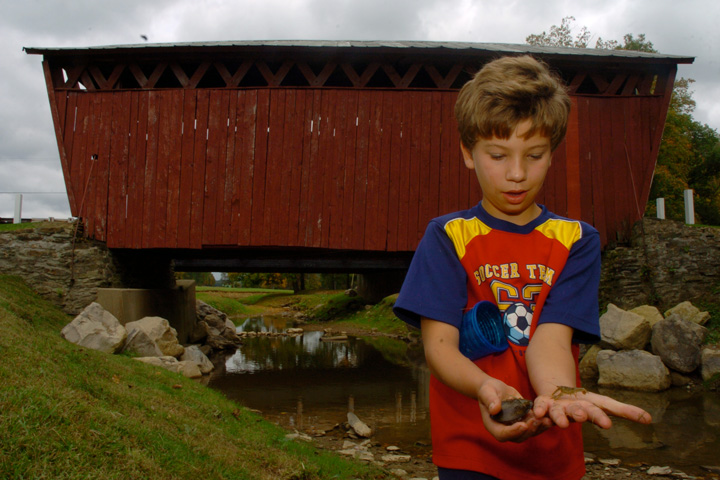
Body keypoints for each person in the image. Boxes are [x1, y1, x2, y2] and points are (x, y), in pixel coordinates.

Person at [393, 55, 652, 480]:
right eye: (498, 154)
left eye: (534, 155)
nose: (516, 174)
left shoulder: (577, 241)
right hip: (469, 446)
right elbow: (438, 346)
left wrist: (558, 394)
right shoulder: (447, 237)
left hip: (553, 448)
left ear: (552, 153)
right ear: (468, 153)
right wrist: (484, 389)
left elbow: (550, 339)